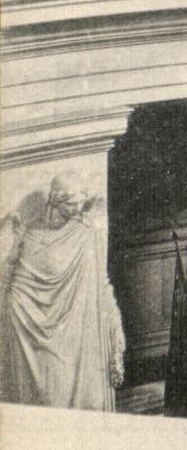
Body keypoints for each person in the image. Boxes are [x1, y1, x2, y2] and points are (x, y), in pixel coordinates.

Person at [0, 173, 125, 410]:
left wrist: (115, 332)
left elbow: (101, 284)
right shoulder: (32, 236)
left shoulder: (86, 234)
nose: (78, 208)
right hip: (35, 334)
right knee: (49, 398)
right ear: (56, 201)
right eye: (72, 203)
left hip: (77, 336)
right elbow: (19, 286)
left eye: (81, 202)